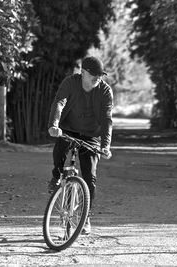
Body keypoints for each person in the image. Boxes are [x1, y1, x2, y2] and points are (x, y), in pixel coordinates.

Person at [47, 56, 113, 234]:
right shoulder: (71, 83)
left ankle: (86, 217)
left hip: (92, 136)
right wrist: (54, 125)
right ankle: (56, 176)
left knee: (90, 177)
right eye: (94, 75)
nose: (98, 78)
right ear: (83, 72)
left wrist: (106, 145)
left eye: (100, 75)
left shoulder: (105, 91)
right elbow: (59, 102)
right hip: (68, 129)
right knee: (60, 151)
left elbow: (107, 119)